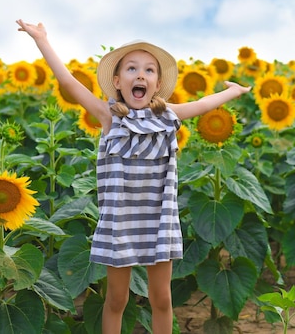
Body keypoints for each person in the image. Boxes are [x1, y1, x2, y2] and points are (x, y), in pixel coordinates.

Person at [16, 19, 250, 334]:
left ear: (157, 83)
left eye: (149, 70)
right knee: (116, 299)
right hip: (121, 222)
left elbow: (206, 103)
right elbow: (69, 83)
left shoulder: (169, 116)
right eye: (131, 69)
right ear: (116, 81)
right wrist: (41, 39)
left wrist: (234, 92)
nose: (140, 74)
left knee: (162, 299)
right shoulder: (108, 116)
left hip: (159, 219)